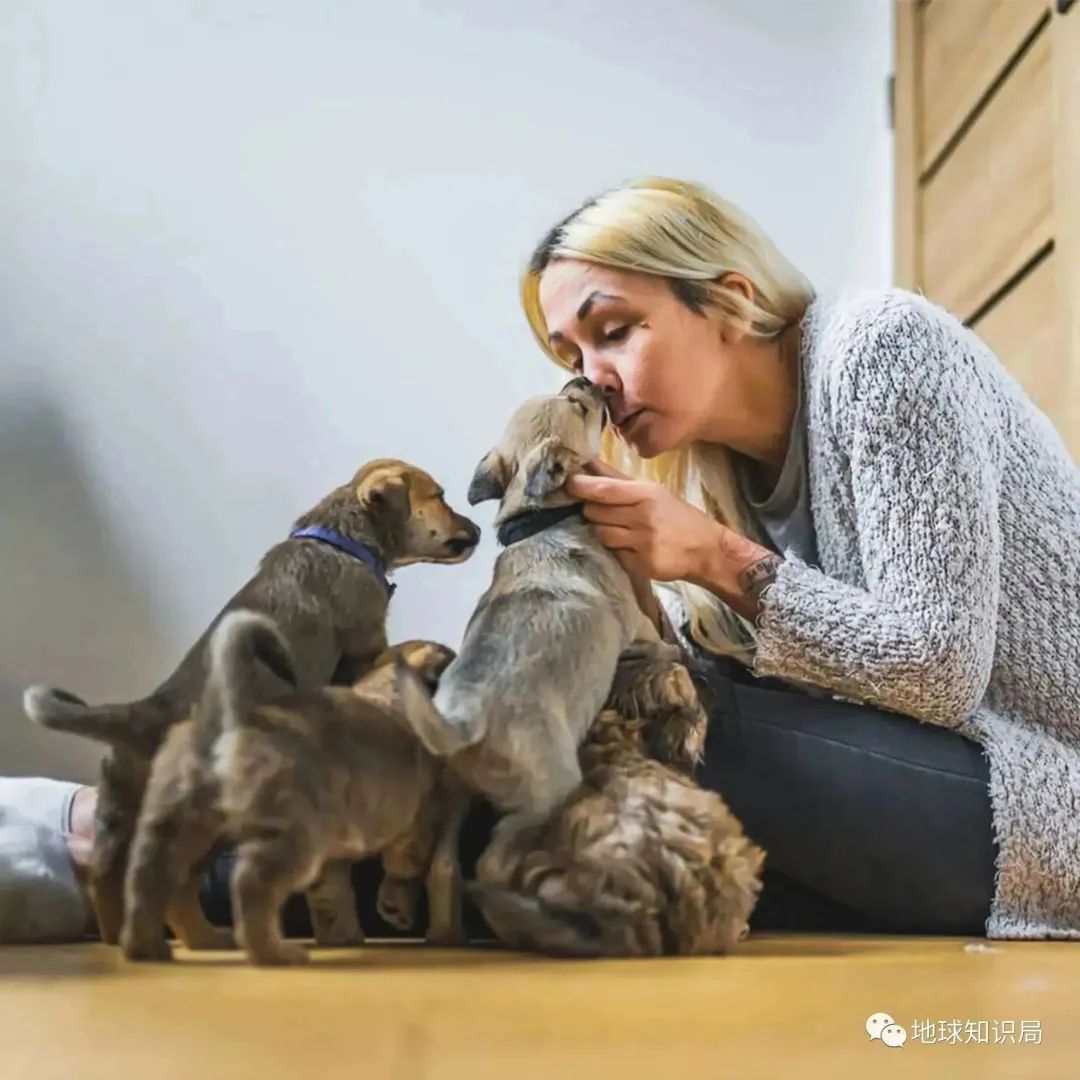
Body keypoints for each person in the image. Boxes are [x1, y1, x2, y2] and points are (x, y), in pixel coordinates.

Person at [5, 176, 1078, 943]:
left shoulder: (880, 348)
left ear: (728, 297)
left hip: (1040, 809)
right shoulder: (717, 472)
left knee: (645, 716)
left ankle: (112, 843)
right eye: (570, 355)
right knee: (528, 836)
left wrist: (712, 560)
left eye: (614, 330)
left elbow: (939, 669)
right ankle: (102, 849)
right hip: (920, 805)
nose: (592, 376)